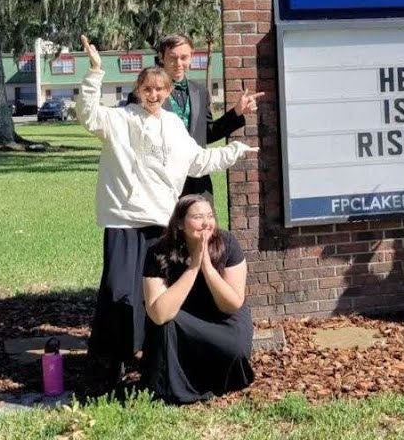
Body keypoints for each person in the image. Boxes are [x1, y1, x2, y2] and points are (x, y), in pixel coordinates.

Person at [76, 35, 257, 390]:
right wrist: (95, 72)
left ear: (167, 93)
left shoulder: (174, 126)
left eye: (160, 90)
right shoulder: (119, 119)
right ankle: (111, 366)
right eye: (148, 89)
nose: (154, 95)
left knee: (160, 296)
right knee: (118, 294)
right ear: (138, 89)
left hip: (161, 223)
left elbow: (199, 160)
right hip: (124, 221)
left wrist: (234, 151)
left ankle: (154, 363)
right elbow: (88, 115)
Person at [142, 194, 255, 404]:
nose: (206, 223)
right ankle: (172, 391)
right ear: (180, 223)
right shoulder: (158, 252)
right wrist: (193, 268)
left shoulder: (228, 244)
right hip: (183, 319)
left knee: (235, 350)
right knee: (166, 325)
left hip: (223, 318)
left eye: (210, 216)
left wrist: (208, 269)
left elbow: (231, 304)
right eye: (197, 217)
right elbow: (159, 314)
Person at [130, 34, 264, 197]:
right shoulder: (143, 95)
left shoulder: (200, 92)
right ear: (161, 57)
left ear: (192, 56)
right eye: (172, 58)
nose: (178, 64)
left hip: (198, 183)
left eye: (184, 57)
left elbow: (207, 134)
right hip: (161, 185)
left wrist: (236, 112)